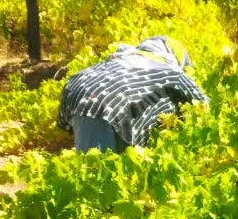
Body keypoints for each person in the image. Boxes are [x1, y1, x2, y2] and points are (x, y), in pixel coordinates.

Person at [57, 35, 209, 152]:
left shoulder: (121, 57)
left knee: (88, 172)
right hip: (114, 109)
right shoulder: (173, 72)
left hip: (78, 91)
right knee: (104, 183)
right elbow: (203, 106)